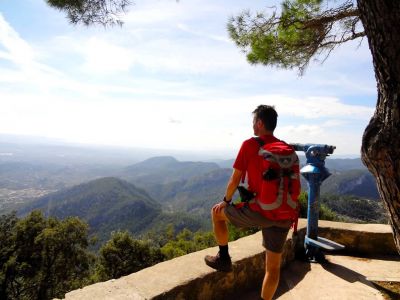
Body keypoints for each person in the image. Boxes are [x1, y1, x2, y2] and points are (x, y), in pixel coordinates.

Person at [204, 105, 292, 300]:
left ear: (259, 123)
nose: (252, 125)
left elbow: (234, 180)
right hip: (285, 213)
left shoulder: (250, 145)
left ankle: (224, 258)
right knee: (273, 268)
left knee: (216, 213)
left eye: (254, 121)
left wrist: (226, 201)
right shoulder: (285, 147)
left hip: (261, 211)